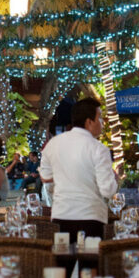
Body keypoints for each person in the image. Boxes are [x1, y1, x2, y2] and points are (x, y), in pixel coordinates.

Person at [39, 98, 119, 239]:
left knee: (62, 260)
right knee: (89, 260)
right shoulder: (99, 149)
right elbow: (107, 190)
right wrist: (115, 180)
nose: (102, 122)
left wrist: (66, 174)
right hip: (90, 218)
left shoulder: (53, 144)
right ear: (89, 122)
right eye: (99, 118)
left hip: (61, 216)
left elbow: (45, 177)